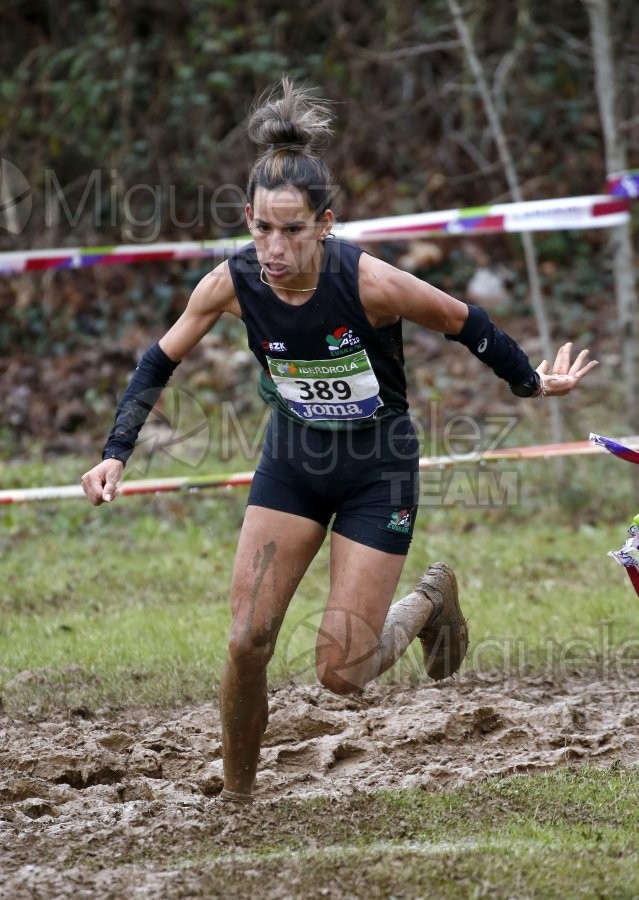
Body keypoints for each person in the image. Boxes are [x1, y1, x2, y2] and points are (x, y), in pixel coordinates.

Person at [81, 78, 597, 804]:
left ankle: (427, 600)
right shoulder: (230, 285)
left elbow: (466, 322)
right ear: (247, 220)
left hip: (375, 472)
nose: (274, 247)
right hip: (292, 465)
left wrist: (531, 384)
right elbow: (158, 359)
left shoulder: (373, 284)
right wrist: (115, 450)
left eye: (292, 230)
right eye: (261, 228)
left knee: (341, 673)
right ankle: (238, 798)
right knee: (245, 642)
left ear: (326, 223)